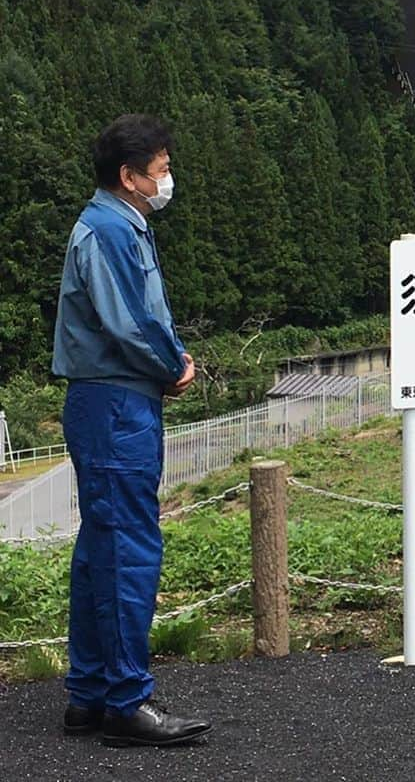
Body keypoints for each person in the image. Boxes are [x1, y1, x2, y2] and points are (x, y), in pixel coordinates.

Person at [52, 114, 211, 746]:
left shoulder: (119, 223)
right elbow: (130, 322)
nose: (168, 178)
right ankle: (126, 702)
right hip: (117, 404)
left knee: (100, 548)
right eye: (161, 169)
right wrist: (174, 366)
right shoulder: (113, 231)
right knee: (127, 551)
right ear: (129, 176)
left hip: (106, 402)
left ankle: (88, 695)